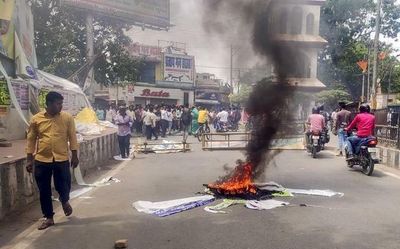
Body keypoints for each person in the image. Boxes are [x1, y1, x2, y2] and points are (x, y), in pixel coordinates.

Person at [26, 91, 79, 230]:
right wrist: (29, 159)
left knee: (64, 184)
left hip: (61, 158)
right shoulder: (36, 119)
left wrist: (74, 154)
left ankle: (64, 199)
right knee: (44, 190)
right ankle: (48, 217)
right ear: (48, 104)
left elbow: (72, 136)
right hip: (42, 159)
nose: (60, 106)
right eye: (58, 104)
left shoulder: (67, 118)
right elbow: (31, 139)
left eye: (61, 104)